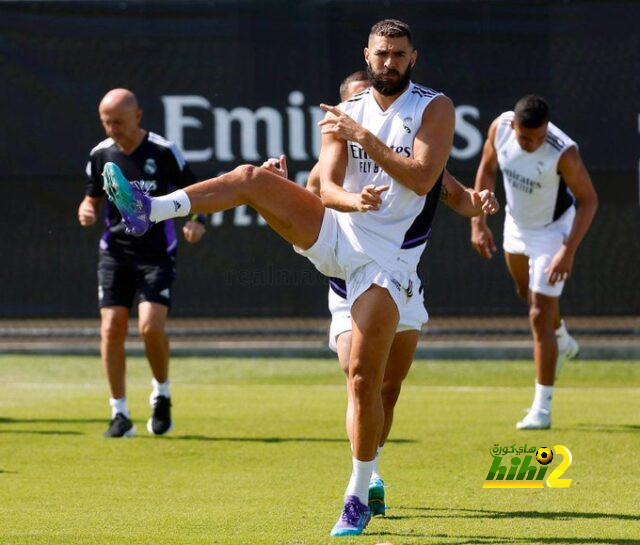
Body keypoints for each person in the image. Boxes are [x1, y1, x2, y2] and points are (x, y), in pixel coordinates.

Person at [102, 19, 454, 537]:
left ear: (413, 57)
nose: (389, 62)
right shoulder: (344, 113)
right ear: (368, 53)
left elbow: (424, 178)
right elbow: (327, 186)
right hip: (340, 233)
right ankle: (148, 208)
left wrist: (364, 140)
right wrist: (351, 198)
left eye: (399, 54)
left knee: (373, 383)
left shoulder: (433, 107)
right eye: (381, 54)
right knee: (251, 178)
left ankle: (359, 491)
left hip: (390, 261)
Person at [286, 72, 498, 519]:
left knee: (388, 388)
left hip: (402, 281)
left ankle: (372, 468)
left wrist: (479, 203)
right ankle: (362, 484)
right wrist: (281, 187)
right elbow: (309, 208)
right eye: (353, 103)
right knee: (358, 375)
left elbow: (455, 196)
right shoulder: (333, 157)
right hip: (349, 282)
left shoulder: (411, 156)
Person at [78, 88, 206, 438]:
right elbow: (91, 198)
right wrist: (87, 209)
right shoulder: (100, 154)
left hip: (156, 253)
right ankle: (119, 414)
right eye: (106, 121)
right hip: (115, 253)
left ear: (138, 116)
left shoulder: (163, 152)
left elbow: (195, 193)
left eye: (118, 121)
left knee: (150, 327)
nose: (111, 128)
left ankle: (161, 394)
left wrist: (197, 222)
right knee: (112, 328)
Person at [470, 94, 598, 430]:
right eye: (527, 138)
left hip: (554, 232)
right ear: (513, 127)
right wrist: (478, 222)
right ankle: (561, 336)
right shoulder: (499, 128)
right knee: (526, 294)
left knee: (539, 312)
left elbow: (589, 201)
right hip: (515, 225)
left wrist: (566, 251)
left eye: (540, 137)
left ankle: (542, 408)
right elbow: (486, 168)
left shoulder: (564, 151)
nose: (534, 143)